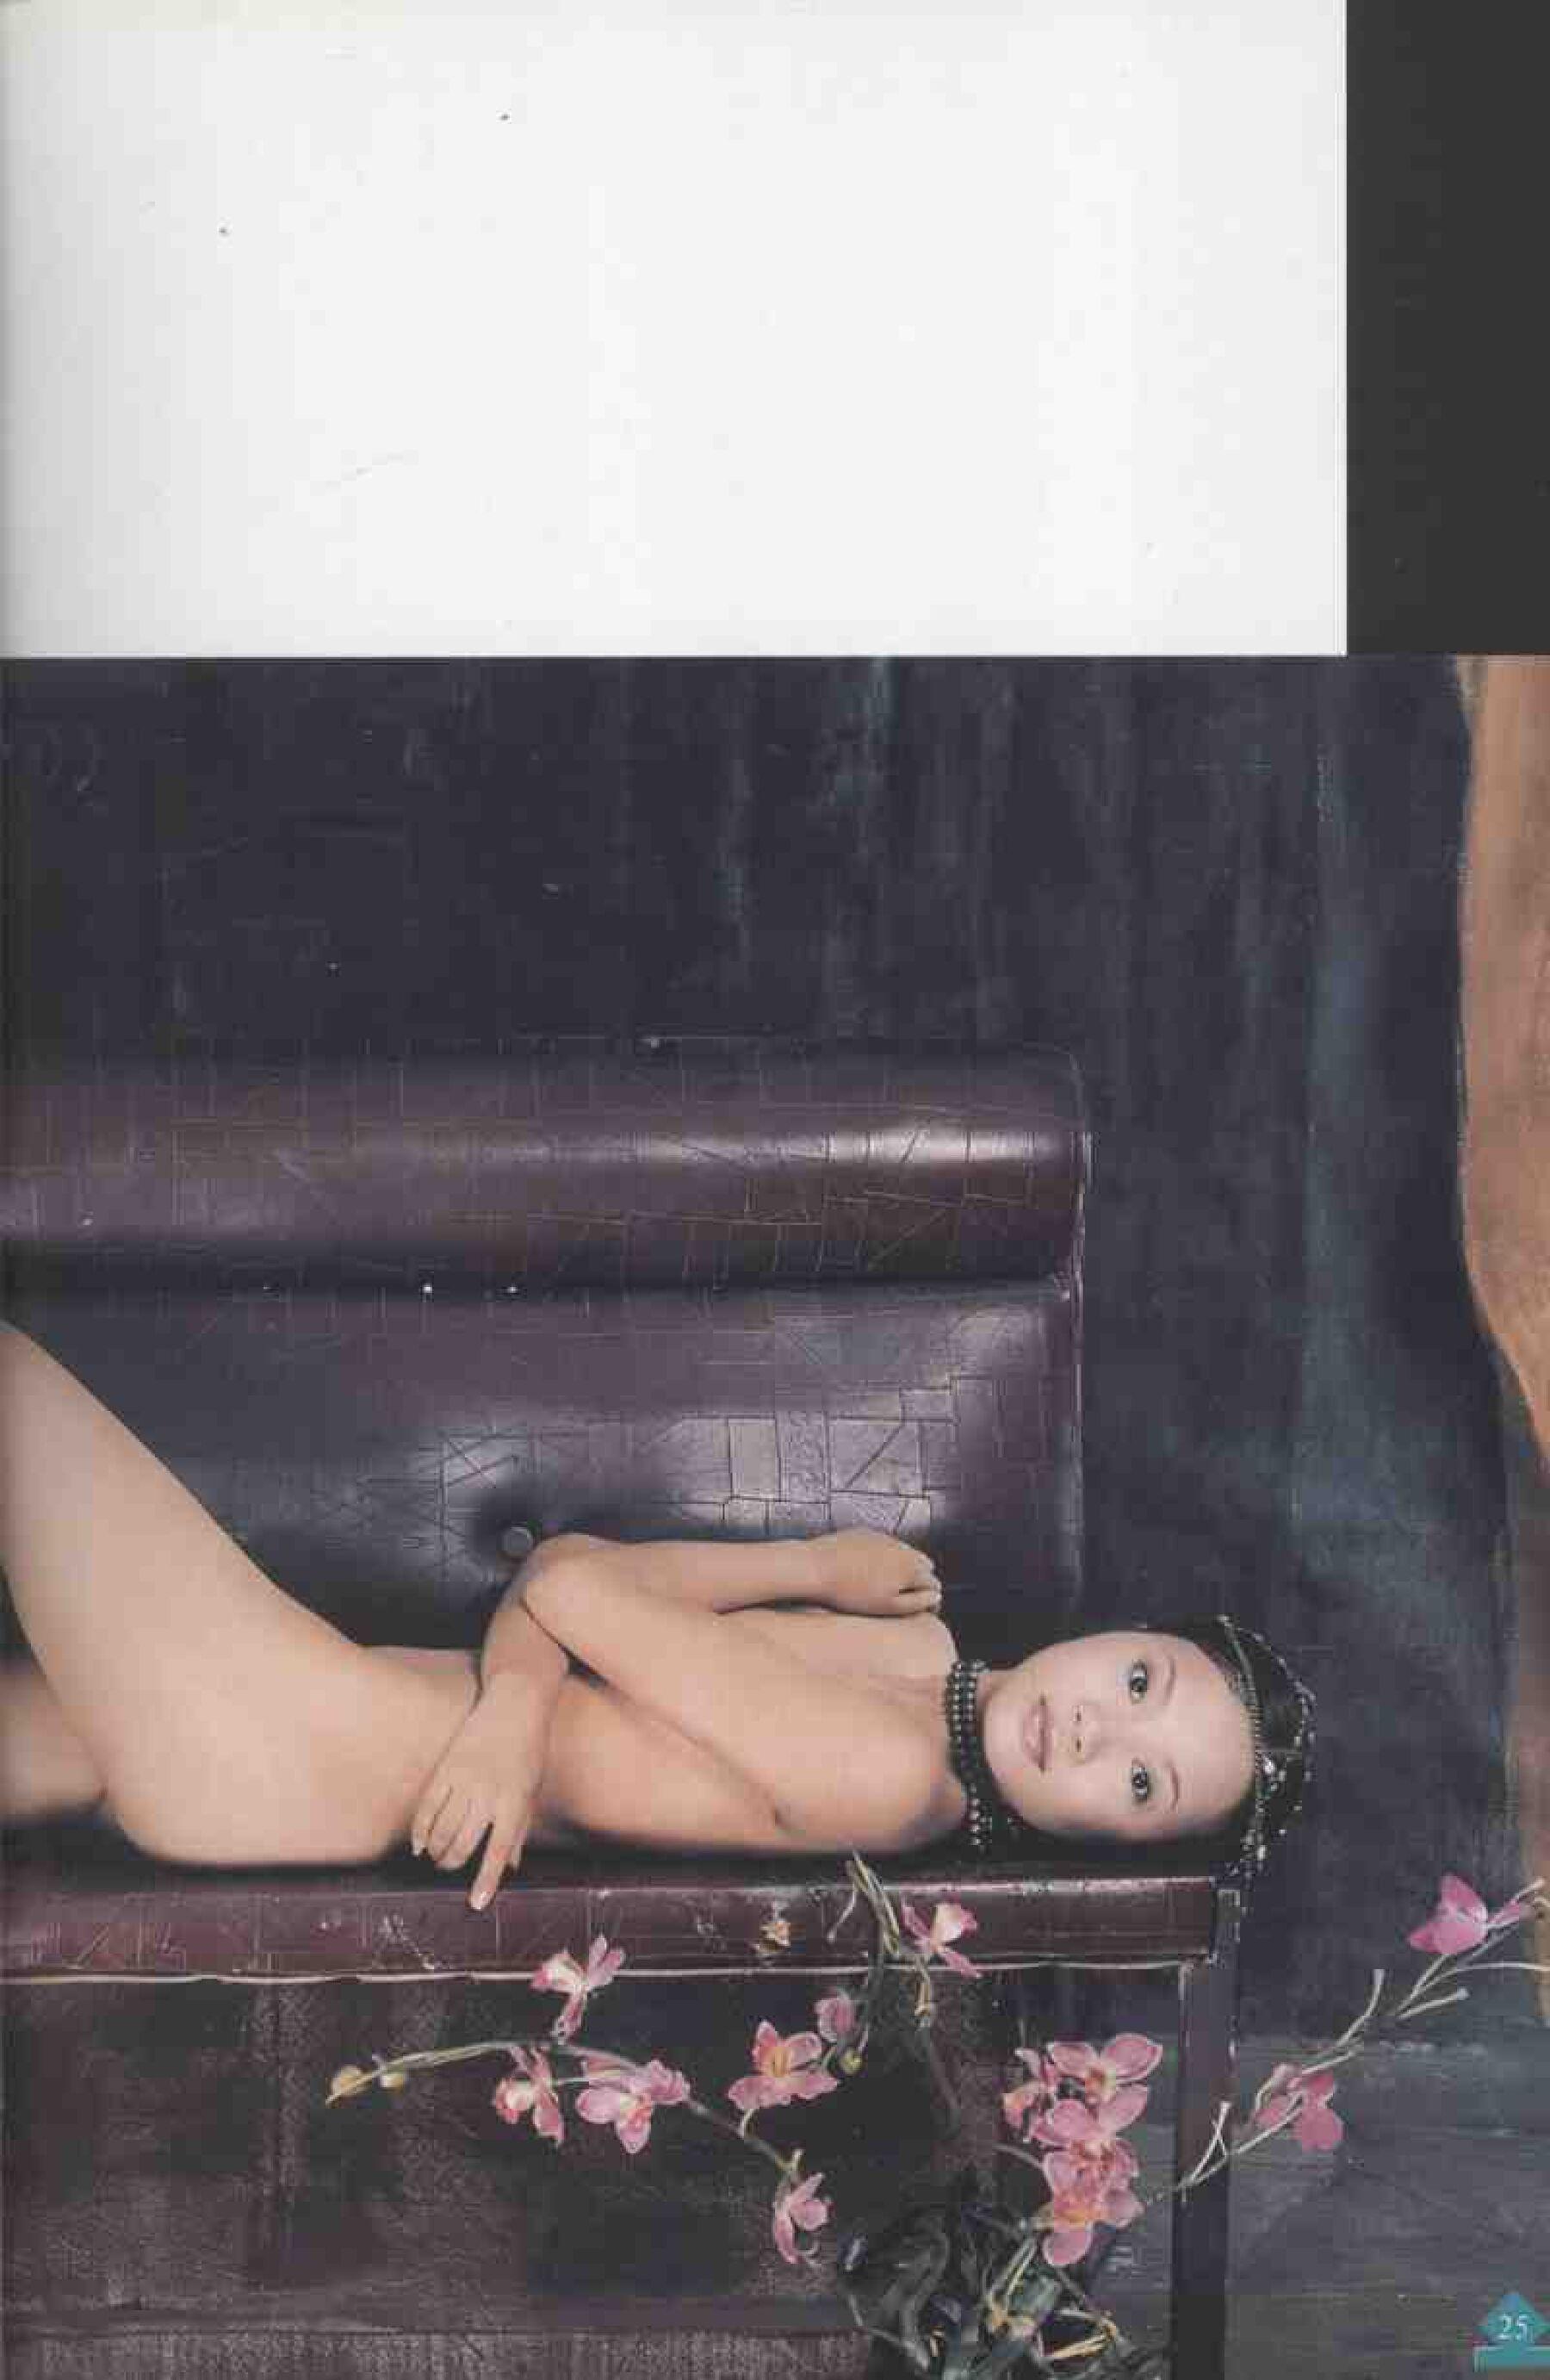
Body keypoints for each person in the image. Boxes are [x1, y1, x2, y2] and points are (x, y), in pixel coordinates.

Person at [0, 1320, 1313, 1911]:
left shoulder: (890, 1776)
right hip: (286, 1711)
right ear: (1124, 1632)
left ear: (1116, 1846)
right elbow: (577, 1563)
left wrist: (513, 1713)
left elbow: (572, 1592)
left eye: (1141, 1784)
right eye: (1141, 1685)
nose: (1094, 1734)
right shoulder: (916, 1648)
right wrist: (814, 1564)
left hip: (277, 1742)